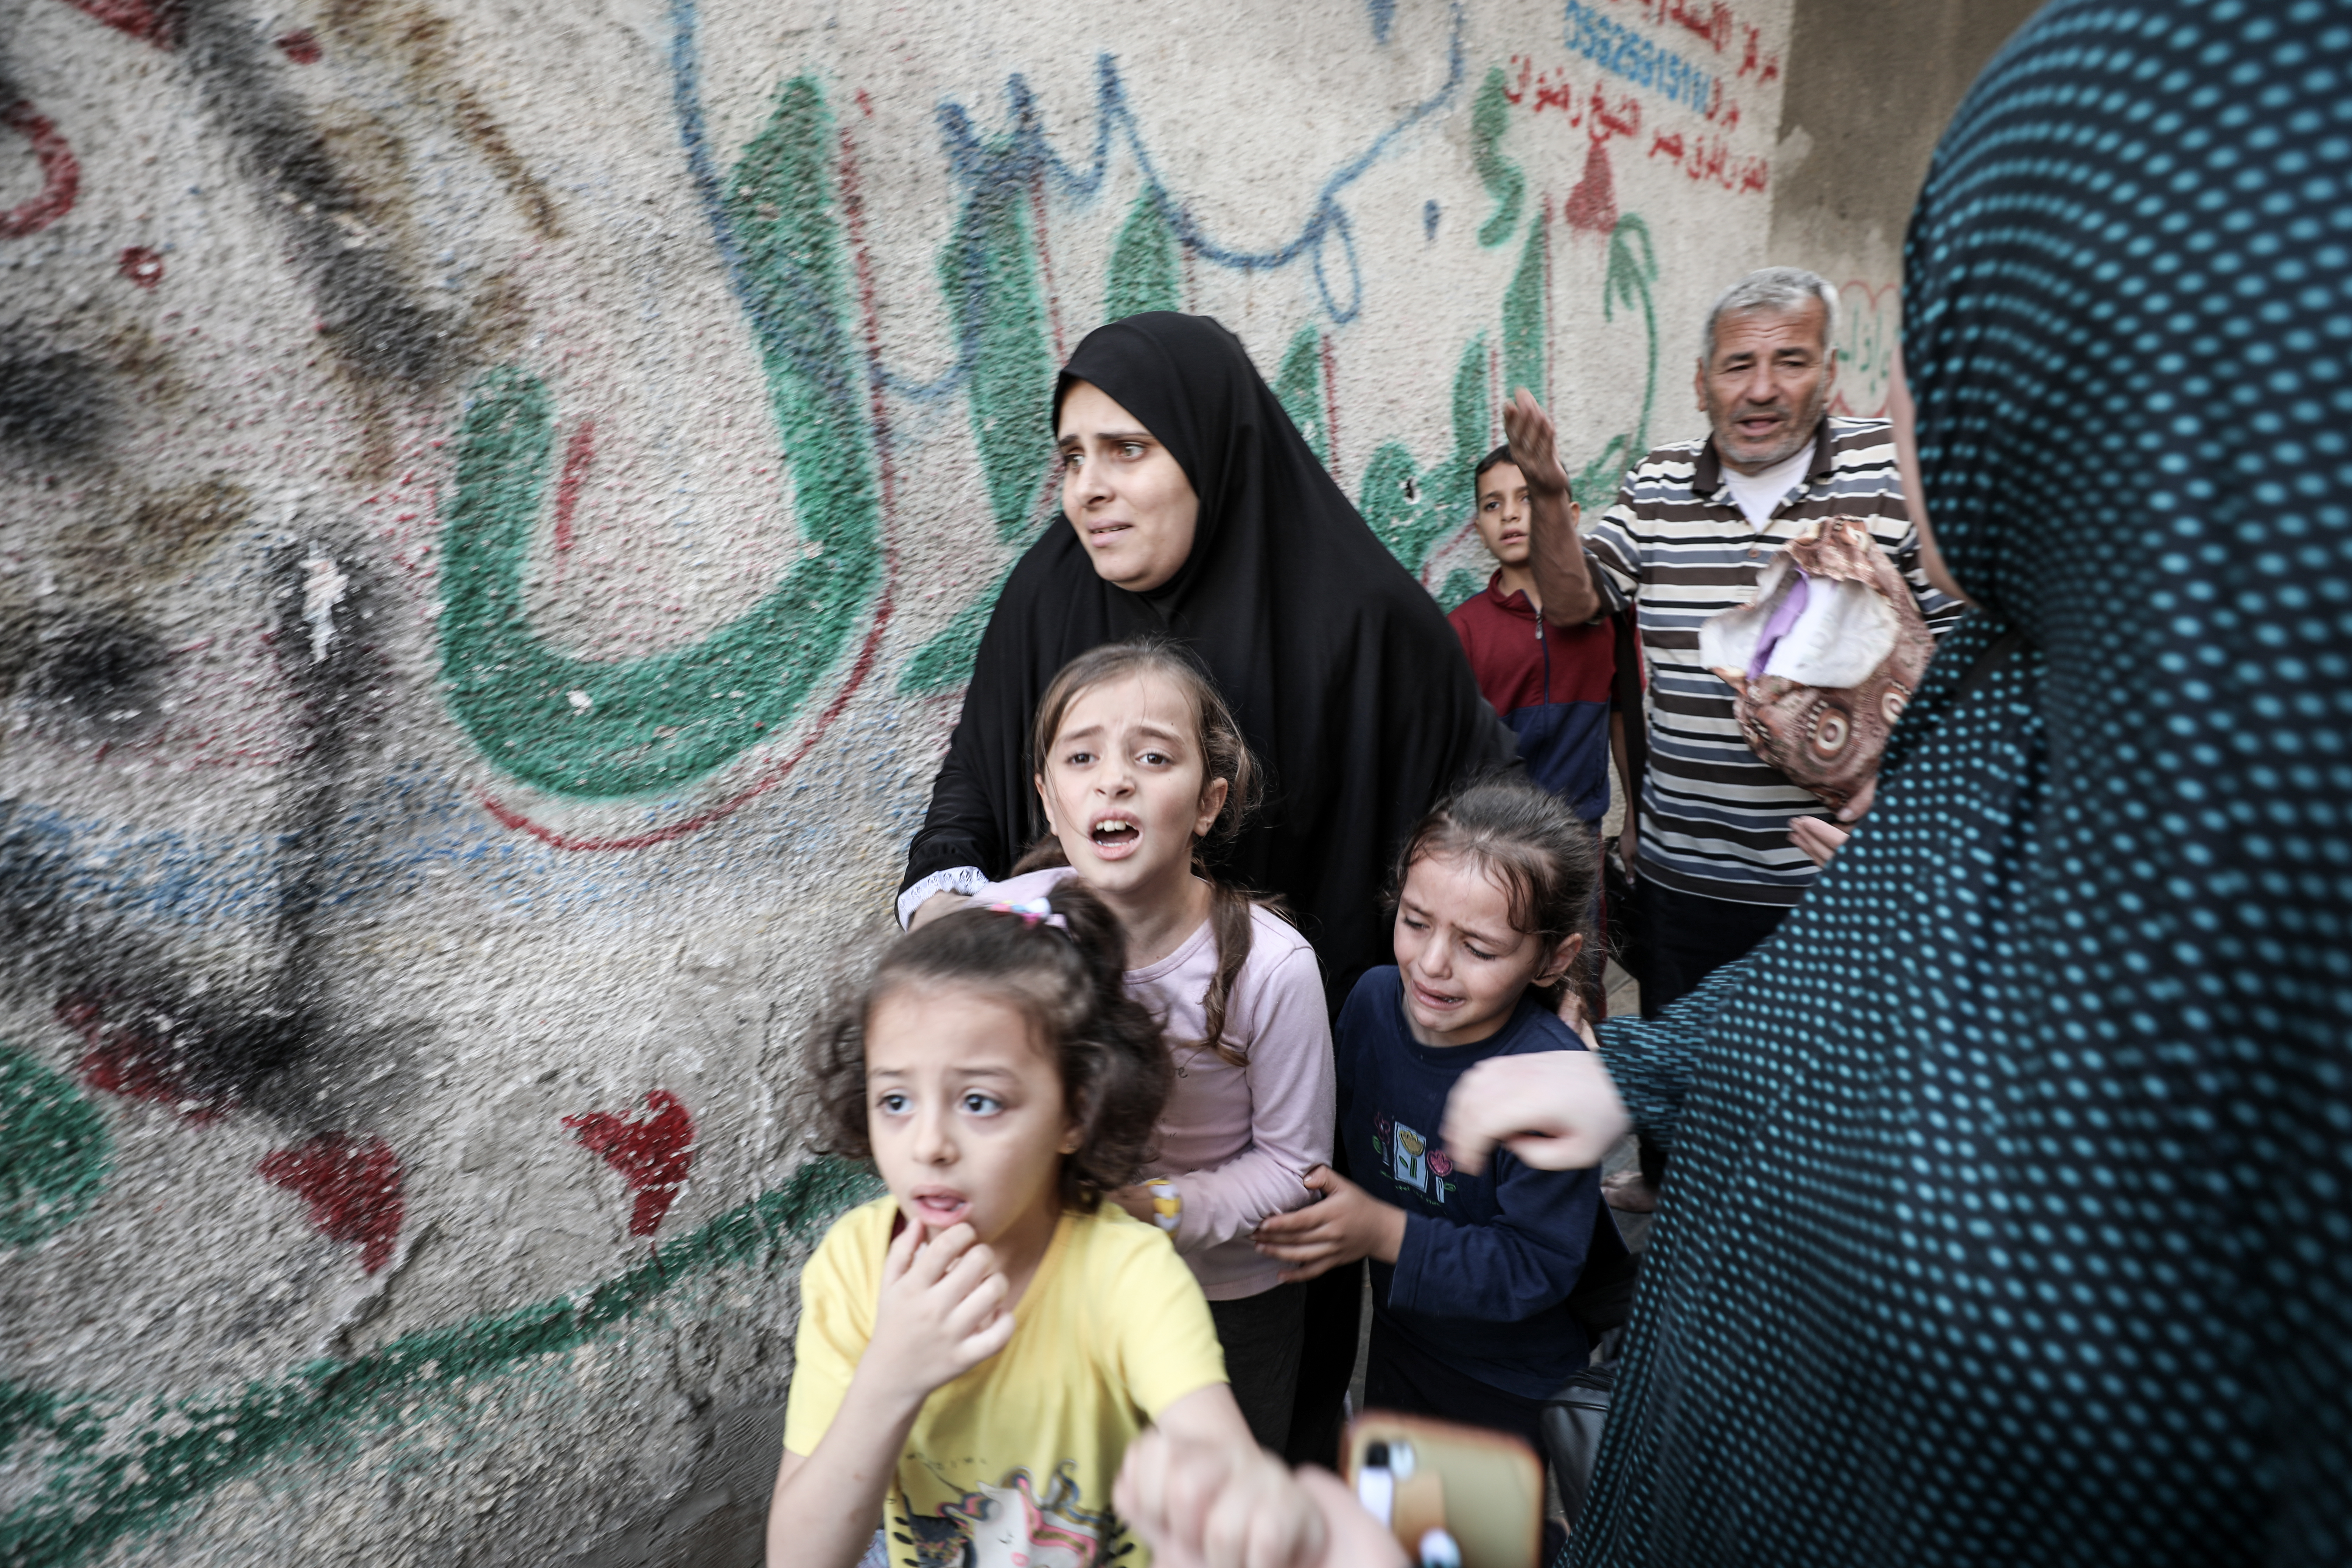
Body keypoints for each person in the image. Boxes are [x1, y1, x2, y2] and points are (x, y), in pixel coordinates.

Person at [1436, 5, 2352, 1562]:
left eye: (1938, 355)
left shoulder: (2281, 903)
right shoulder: (2010, 704)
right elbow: (1848, 998)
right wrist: (1641, 1073)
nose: (1906, 419)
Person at [897, 310, 1517, 1465]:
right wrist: (952, 941)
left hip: (1287, 1103)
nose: (1091, 489)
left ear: (1214, 446)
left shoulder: (1362, 614)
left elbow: (1488, 814)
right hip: (1086, 1126)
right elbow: (969, 799)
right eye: (1072, 457)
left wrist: (1513, 982)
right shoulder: (1049, 599)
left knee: (1250, 1435)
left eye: (1129, 449)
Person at [1507, 267, 1963, 1020]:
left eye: (1790, 360)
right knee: (1678, 1110)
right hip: (1686, 887)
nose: (1761, 388)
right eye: (1738, 365)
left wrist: (1910, 795)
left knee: (1822, 1116)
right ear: (1701, 381)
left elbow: (1970, 657)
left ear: (1829, 372)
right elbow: (1574, 600)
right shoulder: (1657, 483)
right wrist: (1550, 495)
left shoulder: (1891, 470)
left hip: (1844, 885)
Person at [771, 885, 1262, 1568]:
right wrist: (892, 1375)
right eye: (896, 1099)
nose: (929, 1144)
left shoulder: (1126, 1273)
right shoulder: (854, 1265)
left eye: (979, 1100)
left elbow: (1226, 1475)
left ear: (1074, 1112)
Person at [961, 638, 1334, 1453]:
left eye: (1154, 755)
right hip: (1058, 1286)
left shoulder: (1273, 968)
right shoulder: (1002, 931)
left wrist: (1158, 1208)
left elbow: (1293, 1168)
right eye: (1082, 754)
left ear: (1208, 802)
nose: (1114, 777)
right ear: (1051, 802)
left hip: (1225, 1299)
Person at [1252, 780, 1619, 1466]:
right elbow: (1337, 1142)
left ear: (1552, 958)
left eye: (1479, 947)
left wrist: (1383, 1230)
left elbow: (1535, 1266)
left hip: (1512, 1380)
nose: (1432, 962)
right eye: (1416, 921)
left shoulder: (1551, 1082)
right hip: (1399, 1338)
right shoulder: (1370, 1000)